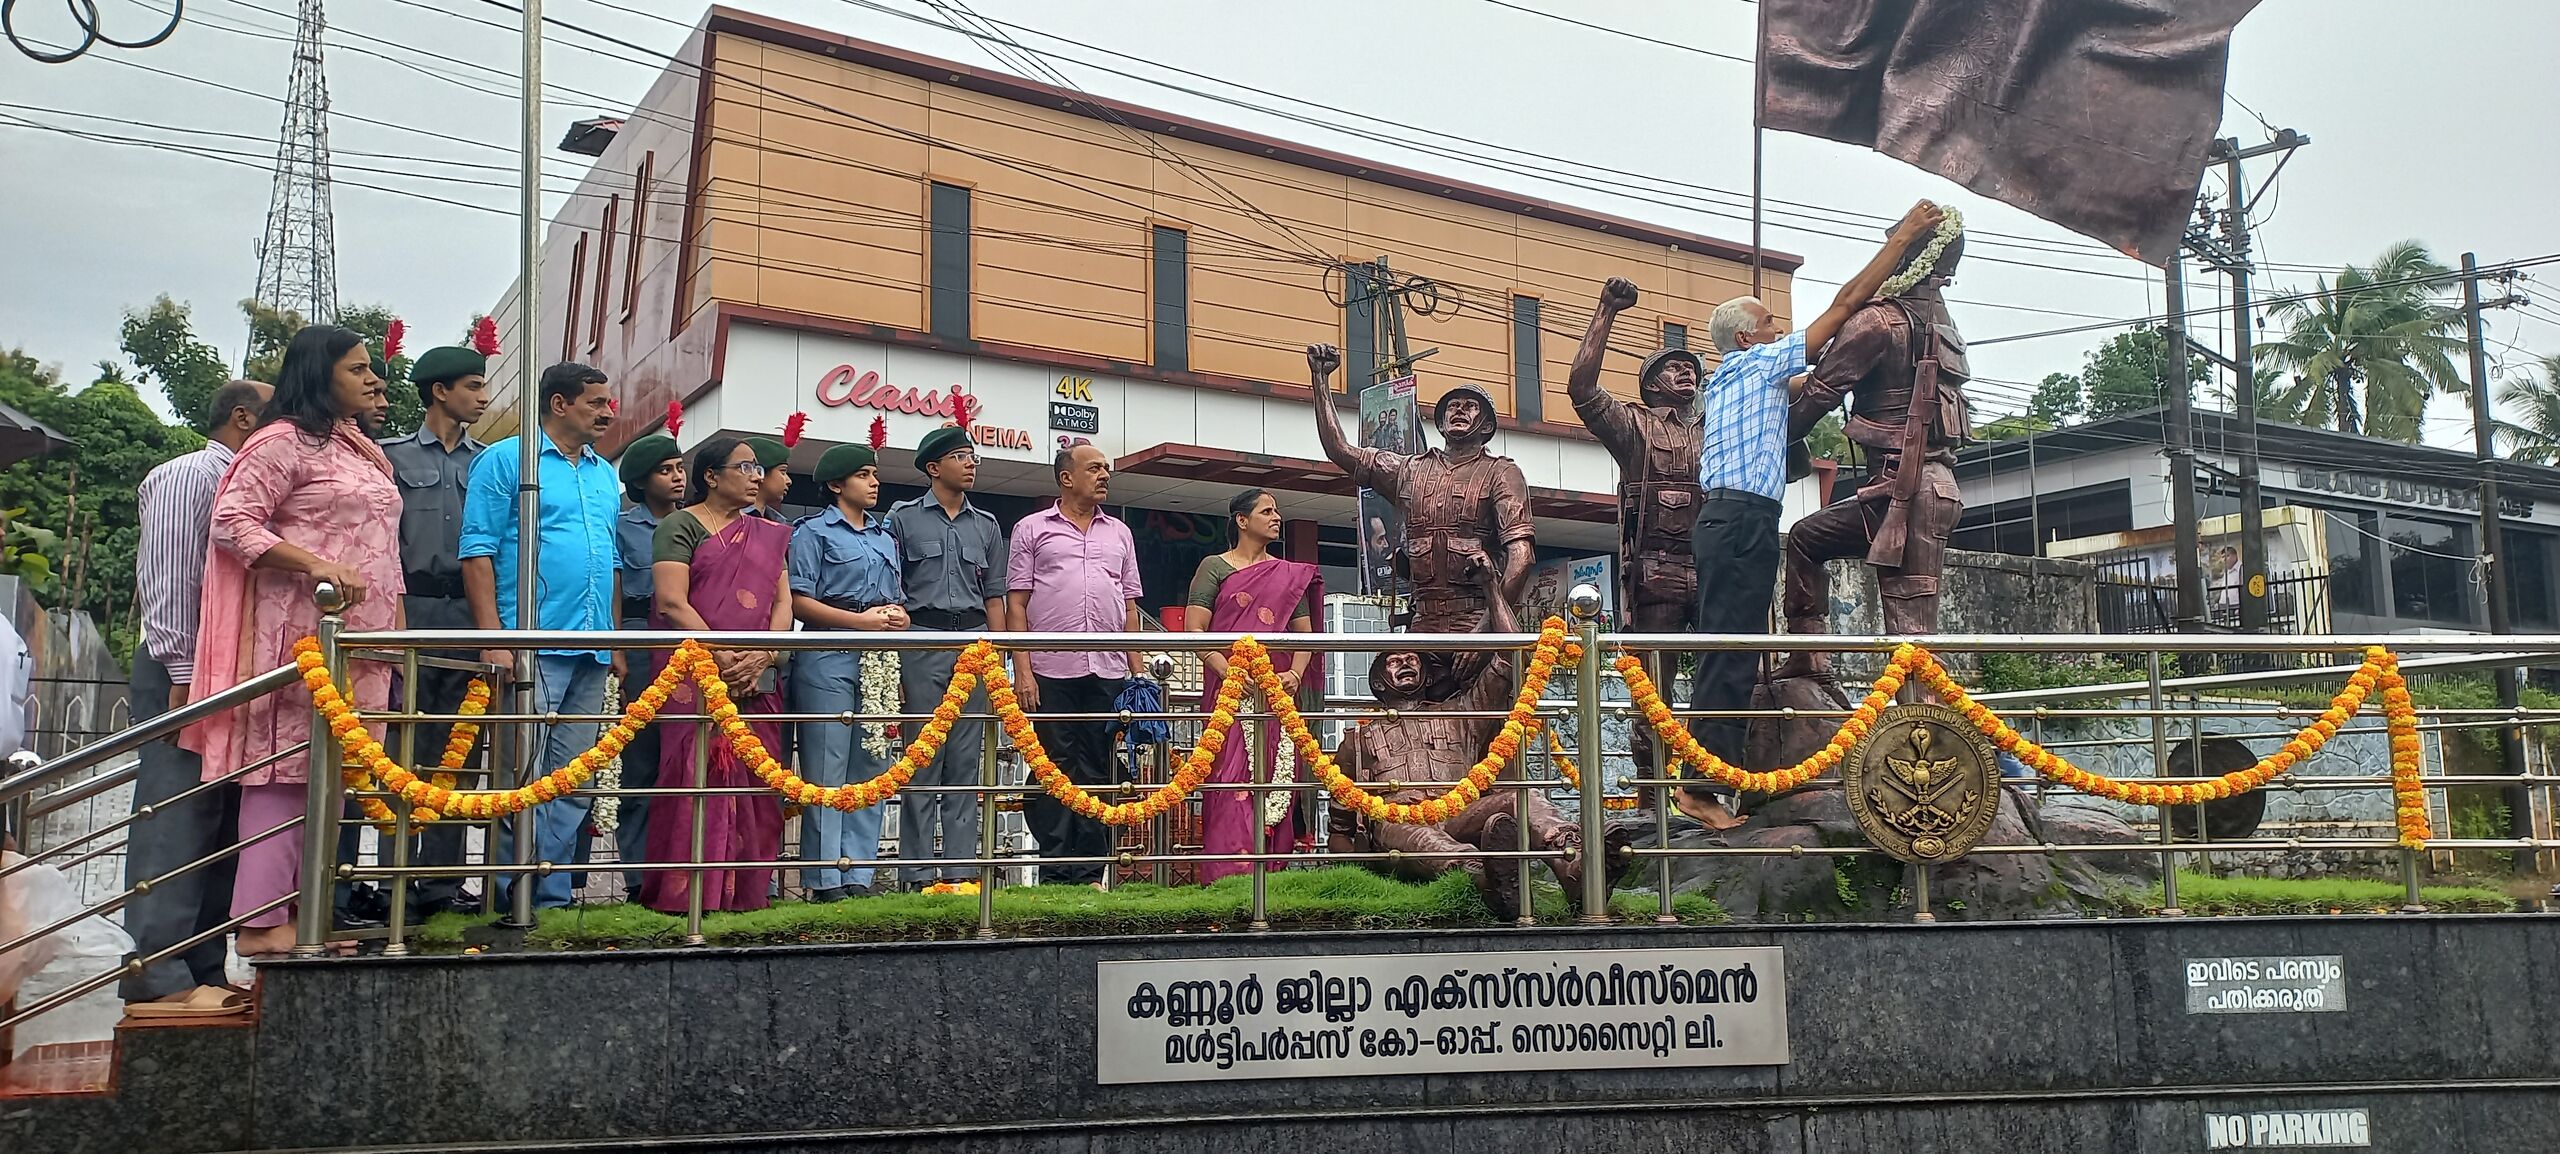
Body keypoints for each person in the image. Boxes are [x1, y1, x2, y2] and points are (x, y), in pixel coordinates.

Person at [1688, 200, 1947, 773]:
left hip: (1736, 519)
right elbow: (1845, 306)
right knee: (1731, 650)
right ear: (1747, 339)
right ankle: (1700, 785)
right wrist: (1901, 240)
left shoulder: (1735, 380)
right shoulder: (1756, 366)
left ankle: (1714, 775)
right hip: (1739, 519)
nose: (1780, 331)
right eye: (1770, 325)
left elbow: (1817, 381)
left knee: (1736, 646)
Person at [183, 326, 400, 960]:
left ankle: (307, 916)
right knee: (284, 772)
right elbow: (231, 522)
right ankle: (260, 923)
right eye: (357, 368)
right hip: (300, 637)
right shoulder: (279, 441)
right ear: (318, 373)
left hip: (364, 641)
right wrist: (313, 564)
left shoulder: (356, 445)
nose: (373, 379)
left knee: (335, 776)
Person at [121, 378, 270, 1016]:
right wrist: (184, 671)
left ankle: (202, 967)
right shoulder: (189, 476)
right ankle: (155, 976)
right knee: (175, 815)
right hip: (183, 669)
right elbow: (169, 578)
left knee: (220, 819)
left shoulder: (245, 482)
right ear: (243, 418)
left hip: (229, 668)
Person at [459, 362, 623, 911]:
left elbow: (610, 560)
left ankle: (546, 894)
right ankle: (512, 897)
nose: (607, 413)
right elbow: (477, 550)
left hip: (592, 647)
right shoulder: (507, 459)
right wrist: (493, 637)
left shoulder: (604, 473)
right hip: (530, 643)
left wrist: (614, 639)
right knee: (522, 775)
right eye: (596, 402)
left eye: (607, 403)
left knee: (574, 778)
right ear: (559, 404)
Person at [1778, 211, 1973, 671]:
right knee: (1806, 539)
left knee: (1911, 633)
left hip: (1901, 490)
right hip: (1930, 487)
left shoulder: (1879, 322)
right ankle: (1810, 661)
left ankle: (1919, 714)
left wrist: (1769, 439)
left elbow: (1817, 397)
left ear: (1905, 257)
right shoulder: (1944, 328)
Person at [643, 437, 789, 913]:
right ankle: (686, 896)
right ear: (711, 476)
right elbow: (671, 602)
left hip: (755, 677)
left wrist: (764, 654)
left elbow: (782, 604)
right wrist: (721, 653)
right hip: (694, 674)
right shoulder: (680, 525)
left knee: (757, 779)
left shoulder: (767, 533)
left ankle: (747, 894)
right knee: (693, 775)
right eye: (745, 467)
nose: (756, 476)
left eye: (758, 468)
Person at [1327, 649, 1586, 913]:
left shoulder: (1461, 714)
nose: (1405, 664)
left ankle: (1574, 864)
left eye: (1412, 660)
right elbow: (1339, 830)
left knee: (1523, 798)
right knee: (1418, 835)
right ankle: (1490, 880)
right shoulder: (1357, 741)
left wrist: (1489, 618)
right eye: (1394, 662)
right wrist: (1358, 870)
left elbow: (1508, 660)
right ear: (1378, 683)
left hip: (1461, 814)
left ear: (1428, 678)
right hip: (1398, 823)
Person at [378, 341, 492, 918]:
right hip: (411, 608)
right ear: (440, 391)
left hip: (469, 612)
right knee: (400, 745)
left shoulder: (489, 462)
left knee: (460, 748)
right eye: (473, 386)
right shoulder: (390, 457)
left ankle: (443, 883)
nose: (483, 395)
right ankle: (393, 877)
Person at [1308, 345, 1533, 633]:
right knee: (1392, 664)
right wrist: (1320, 380)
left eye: (1470, 406)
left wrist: (1484, 632)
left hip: (1476, 618)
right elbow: (1339, 450)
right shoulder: (1409, 470)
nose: (1459, 409)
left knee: (1500, 665)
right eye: (1452, 406)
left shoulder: (1502, 473)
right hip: (1422, 622)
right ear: (1440, 424)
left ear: (1487, 426)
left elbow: (1521, 558)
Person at [1007, 443, 1144, 887]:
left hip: (1108, 669)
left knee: (1099, 767)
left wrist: (1137, 673)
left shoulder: (1120, 533)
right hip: (1049, 670)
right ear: (1067, 478)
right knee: (1052, 767)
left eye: (1107, 469)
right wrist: (1022, 671)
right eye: (1095, 468)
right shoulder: (1031, 528)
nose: (1105, 475)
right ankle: (1055, 870)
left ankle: (1090, 872)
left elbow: (1129, 606)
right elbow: (1016, 605)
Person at [883, 426, 1007, 890]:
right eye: (960, 456)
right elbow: (891, 589)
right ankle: (915, 874)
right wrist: (896, 659)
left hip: (973, 642)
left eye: (973, 456)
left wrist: (998, 659)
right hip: (921, 639)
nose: (971, 463)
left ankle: (960, 872)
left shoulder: (987, 525)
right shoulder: (903, 519)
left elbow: (994, 596)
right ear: (934, 468)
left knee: (964, 762)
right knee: (921, 757)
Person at [787, 441, 908, 901]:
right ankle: (824, 877)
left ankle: (859, 872)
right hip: (827, 652)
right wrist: (860, 622)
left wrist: (899, 617)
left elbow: (896, 597)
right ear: (836, 485)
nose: (874, 483)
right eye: (862, 475)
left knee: (872, 763)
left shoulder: (884, 537)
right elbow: (800, 601)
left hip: (877, 657)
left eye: (874, 474)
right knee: (826, 765)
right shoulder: (812, 533)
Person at [1183, 489, 1320, 885]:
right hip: (1229, 695)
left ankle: (1271, 879)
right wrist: (1226, 671)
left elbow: (1305, 636)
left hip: (1275, 697)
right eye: (1267, 511)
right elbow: (1194, 630)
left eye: (1277, 511)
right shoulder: (1214, 567)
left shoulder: (1288, 576)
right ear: (1242, 520)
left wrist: (1296, 674)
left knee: (1277, 780)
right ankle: (1227, 879)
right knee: (1229, 782)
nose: (1277, 517)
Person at [612, 432, 685, 891]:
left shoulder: (697, 523)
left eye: (679, 468)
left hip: (689, 642)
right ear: (640, 481)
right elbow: (615, 591)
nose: (677, 477)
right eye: (665, 470)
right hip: (641, 639)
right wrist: (617, 648)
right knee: (640, 762)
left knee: (685, 762)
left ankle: (681, 875)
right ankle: (639, 878)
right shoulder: (621, 527)